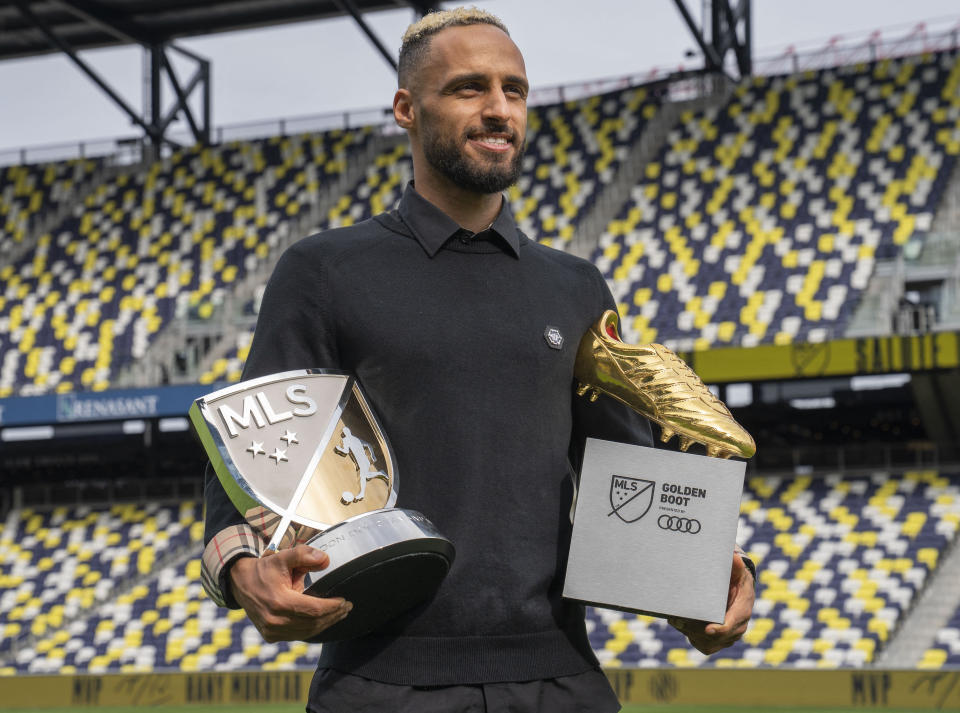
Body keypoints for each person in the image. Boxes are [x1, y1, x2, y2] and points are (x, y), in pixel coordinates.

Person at [201, 8, 755, 712]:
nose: (499, 109)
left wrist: (707, 586)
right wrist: (241, 566)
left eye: (515, 90)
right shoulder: (324, 271)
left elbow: (630, 478)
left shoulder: (576, 286)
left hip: (562, 679)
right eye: (469, 88)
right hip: (380, 680)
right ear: (407, 108)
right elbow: (255, 449)